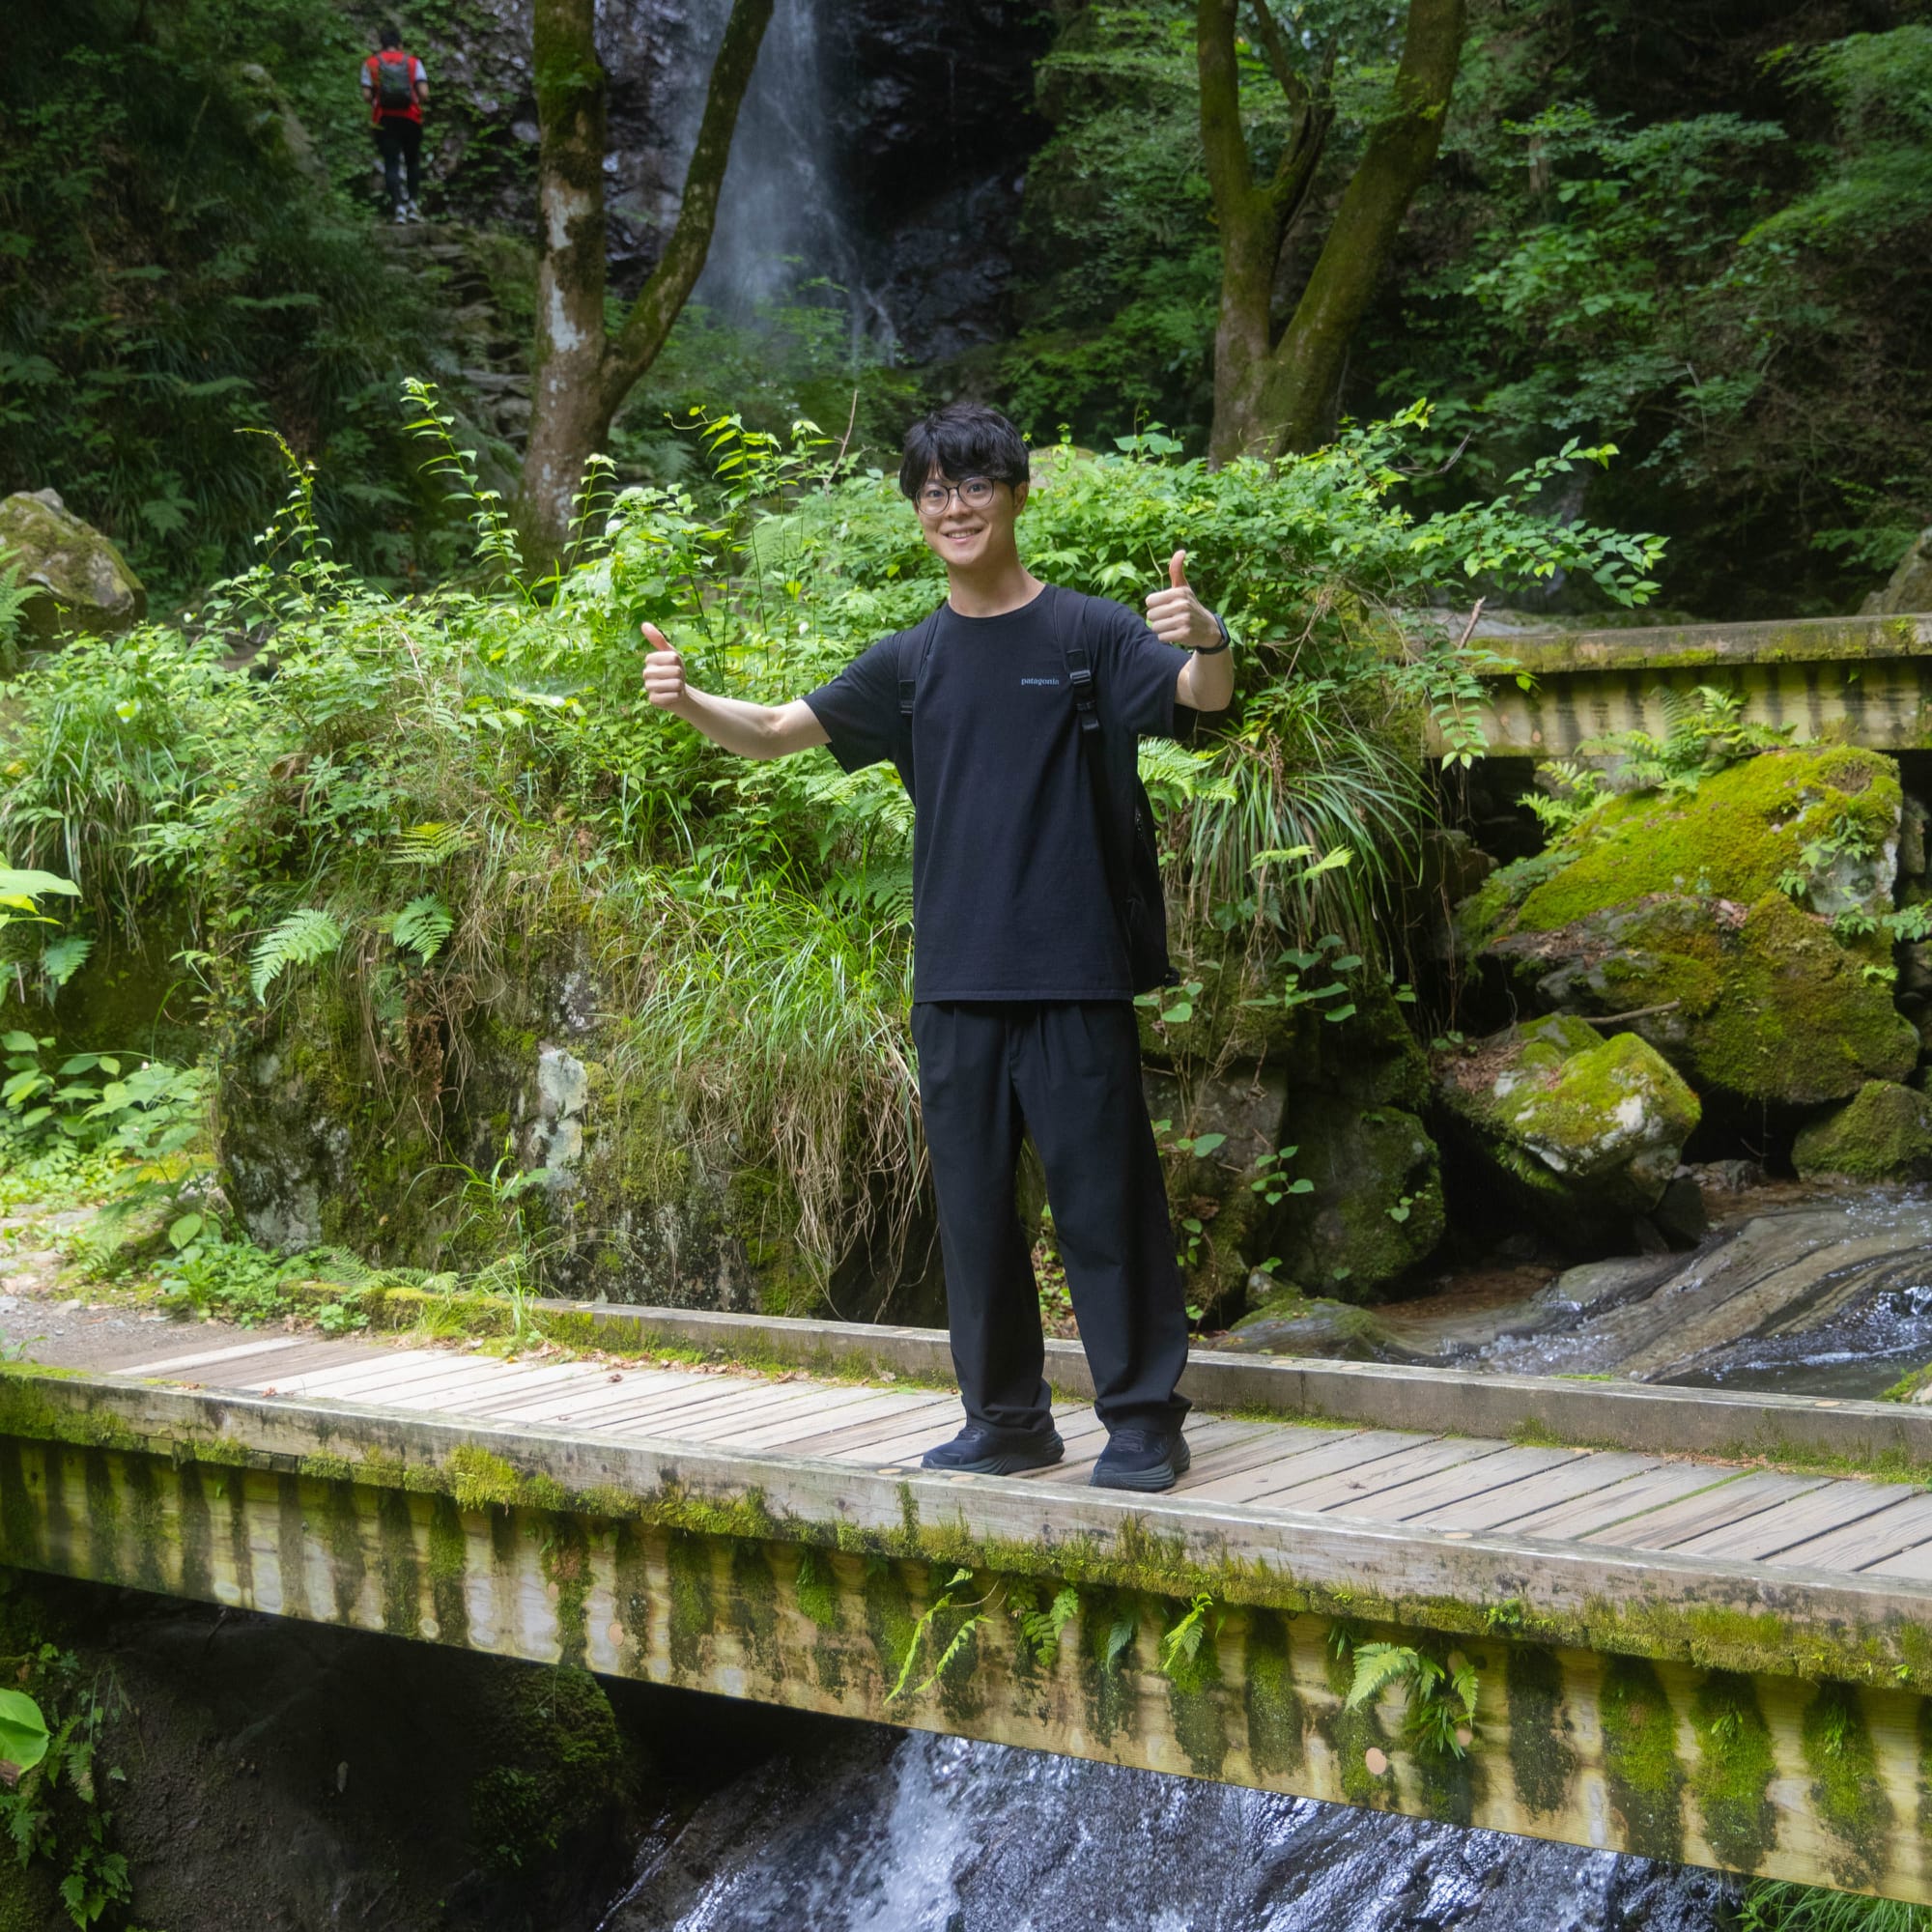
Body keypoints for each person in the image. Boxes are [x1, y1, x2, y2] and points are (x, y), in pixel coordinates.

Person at [641, 403, 1236, 1492]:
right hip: (953, 981)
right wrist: (688, 703)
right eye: (932, 491)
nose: (952, 507)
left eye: (972, 485)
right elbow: (776, 731)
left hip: (1073, 973)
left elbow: (1200, 695)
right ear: (916, 511)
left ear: (1014, 494)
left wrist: (1203, 633)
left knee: (1105, 1205)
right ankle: (1006, 1418)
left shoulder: (1091, 634)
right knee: (969, 1211)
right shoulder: (909, 660)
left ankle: (1144, 1419)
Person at [362, 25, 428, 225]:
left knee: (391, 163)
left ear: (381, 45)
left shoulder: (371, 63)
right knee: (412, 162)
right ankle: (413, 206)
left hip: (384, 119)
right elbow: (424, 93)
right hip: (411, 118)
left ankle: (398, 208)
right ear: (399, 44)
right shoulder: (413, 62)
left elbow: (366, 95)